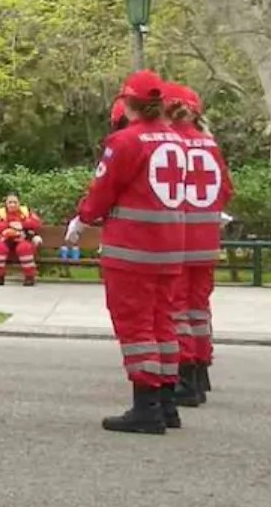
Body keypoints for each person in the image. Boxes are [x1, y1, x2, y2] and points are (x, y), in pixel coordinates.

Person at [65, 69, 189, 434]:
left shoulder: (125, 141)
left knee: (136, 325)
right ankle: (167, 402)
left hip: (133, 247)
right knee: (163, 322)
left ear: (127, 102)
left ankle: (146, 406)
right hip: (170, 246)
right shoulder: (176, 140)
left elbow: (105, 188)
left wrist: (84, 217)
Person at [167, 83, 231, 405]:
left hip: (177, 239)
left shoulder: (170, 144)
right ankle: (202, 369)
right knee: (199, 308)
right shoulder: (210, 145)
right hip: (207, 240)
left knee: (176, 309)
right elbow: (226, 189)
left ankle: (186, 373)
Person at [0, 195, 41, 287]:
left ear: (19, 203)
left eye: (15, 202)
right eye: (10, 202)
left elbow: (36, 223)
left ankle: (29, 277)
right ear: (6, 204)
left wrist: (22, 224)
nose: (12, 205)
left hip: (22, 239)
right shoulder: (1, 213)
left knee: (25, 248)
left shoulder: (26, 212)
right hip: (5, 239)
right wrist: (9, 225)